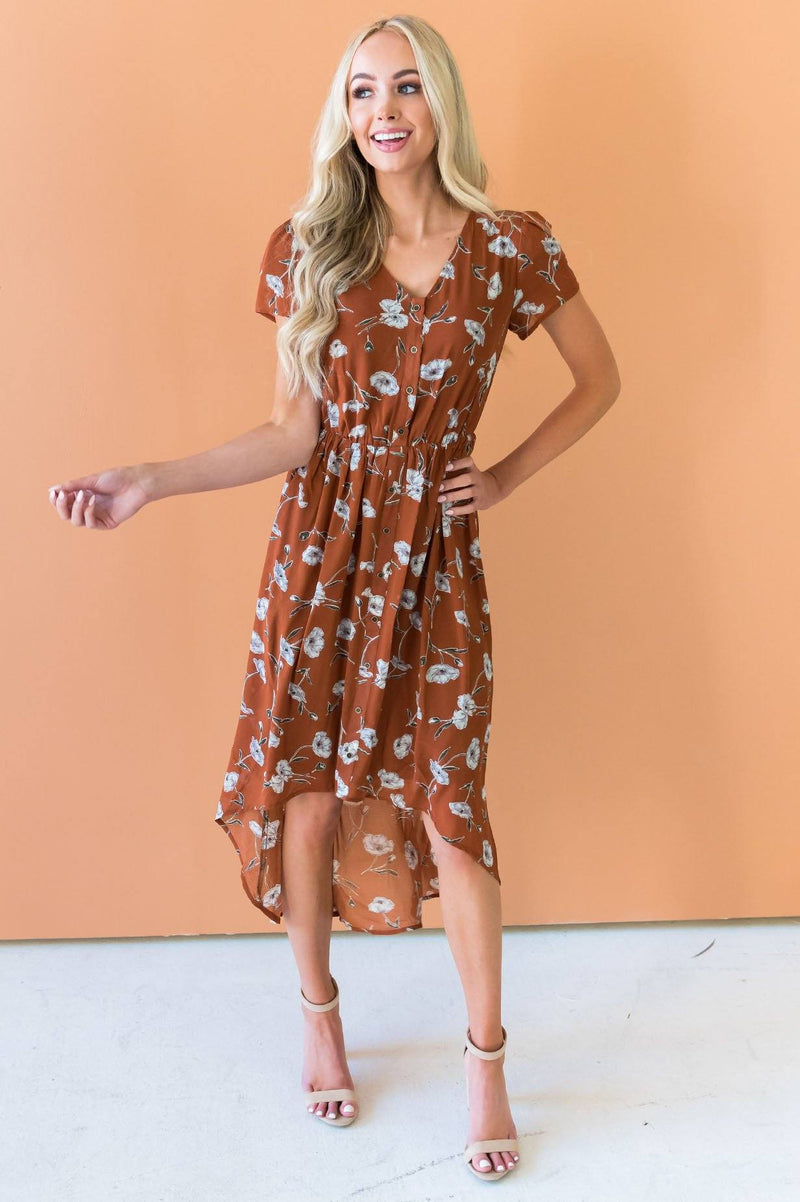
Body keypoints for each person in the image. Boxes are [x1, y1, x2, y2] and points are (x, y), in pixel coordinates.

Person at [47, 13, 620, 1184]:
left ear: (439, 102)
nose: (383, 112)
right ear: (343, 114)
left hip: (434, 566)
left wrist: (501, 476)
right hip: (317, 559)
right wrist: (148, 477)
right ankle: (318, 1014)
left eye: (404, 87)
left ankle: (485, 1060)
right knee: (304, 796)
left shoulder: (511, 245)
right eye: (362, 92)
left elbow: (599, 378)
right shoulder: (308, 246)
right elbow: (290, 434)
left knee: (450, 807)